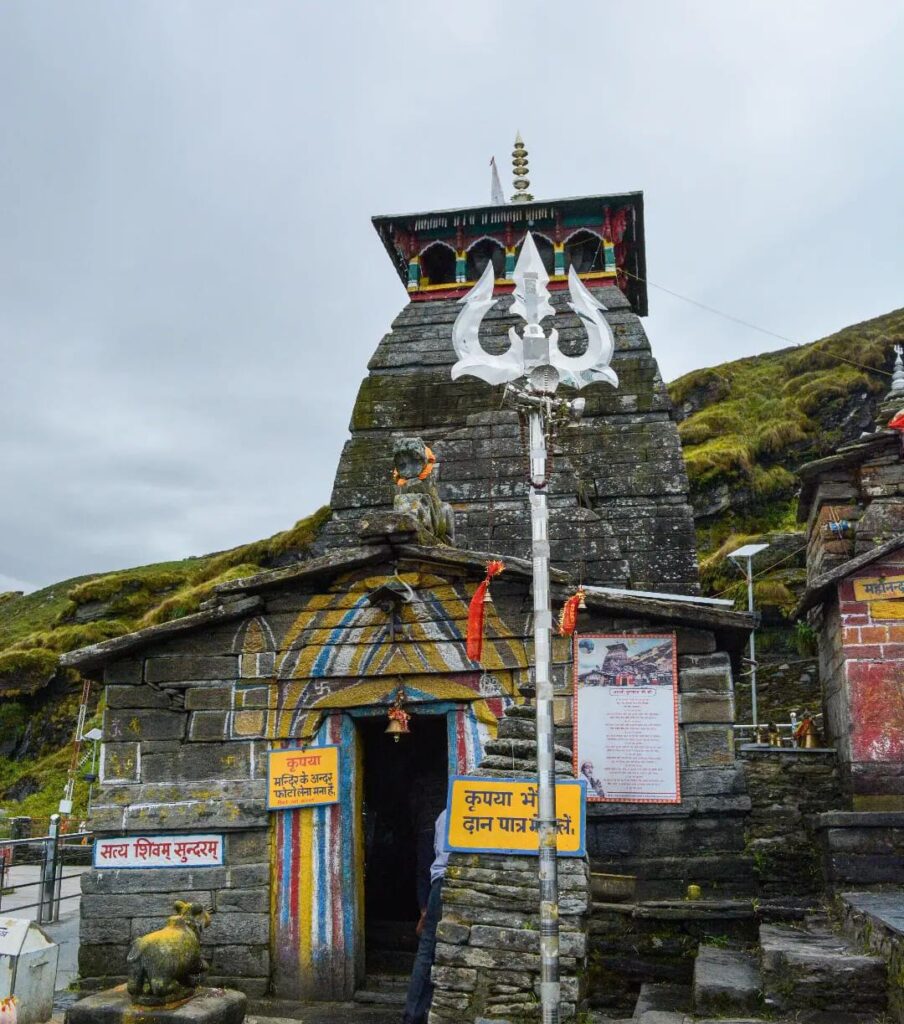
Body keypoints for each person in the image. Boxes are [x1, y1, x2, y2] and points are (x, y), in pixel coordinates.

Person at [402, 807, 448, 1024]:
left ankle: (415, 1014)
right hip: (446, 882)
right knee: (430, 950)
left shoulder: (443, 816)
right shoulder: (463, 815)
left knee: (427, 951)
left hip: (438, 884)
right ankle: (416, 1015)